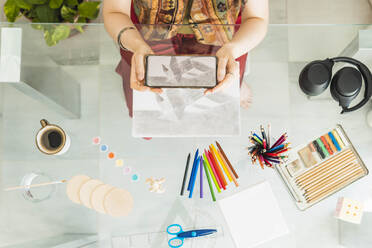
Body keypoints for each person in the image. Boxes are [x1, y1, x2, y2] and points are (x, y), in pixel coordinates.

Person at [103, 0, 269, 117]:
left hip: (222, 36)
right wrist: (137, 45)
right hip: (148, 33)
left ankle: (237, 84)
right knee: (150, 103)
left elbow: (257, 17)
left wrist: (234, 49)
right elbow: (115, 11)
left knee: (219, 91)